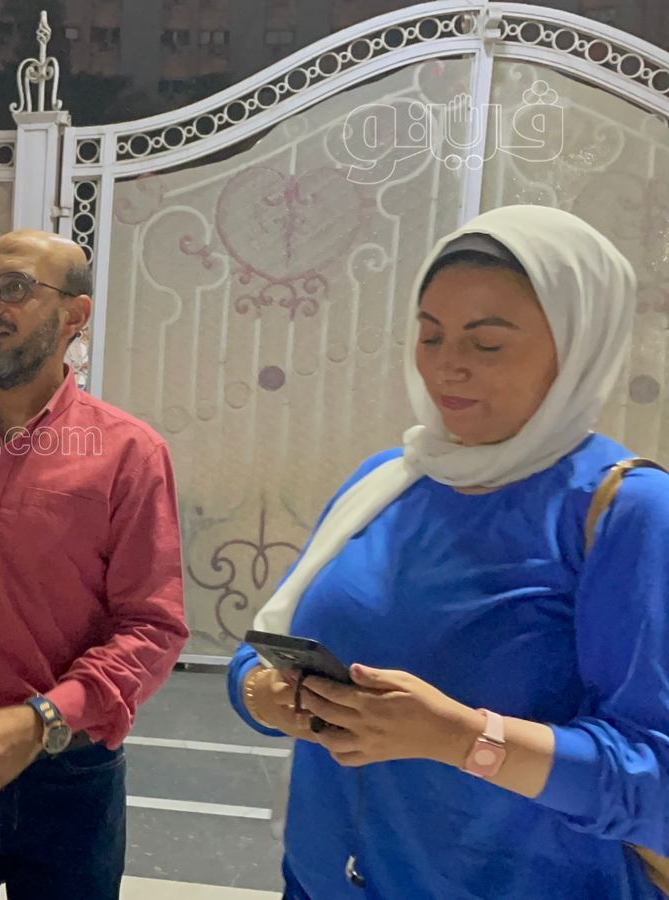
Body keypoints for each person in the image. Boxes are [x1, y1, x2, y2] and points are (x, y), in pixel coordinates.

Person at [227, 205, 669, 899]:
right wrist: (269, 695)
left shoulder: (623, 513)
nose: (447, 366)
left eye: (486, 344)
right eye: (430, 336)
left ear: (577, 348)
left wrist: (463, 738)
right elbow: (262, 651)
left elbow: (654, 781)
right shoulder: (387, 481)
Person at [0, 229, 188, 899]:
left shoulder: (128, 454)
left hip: (65, 775)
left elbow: (153, 626)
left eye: (14, 288)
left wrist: (45, 718)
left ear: (75, 315)